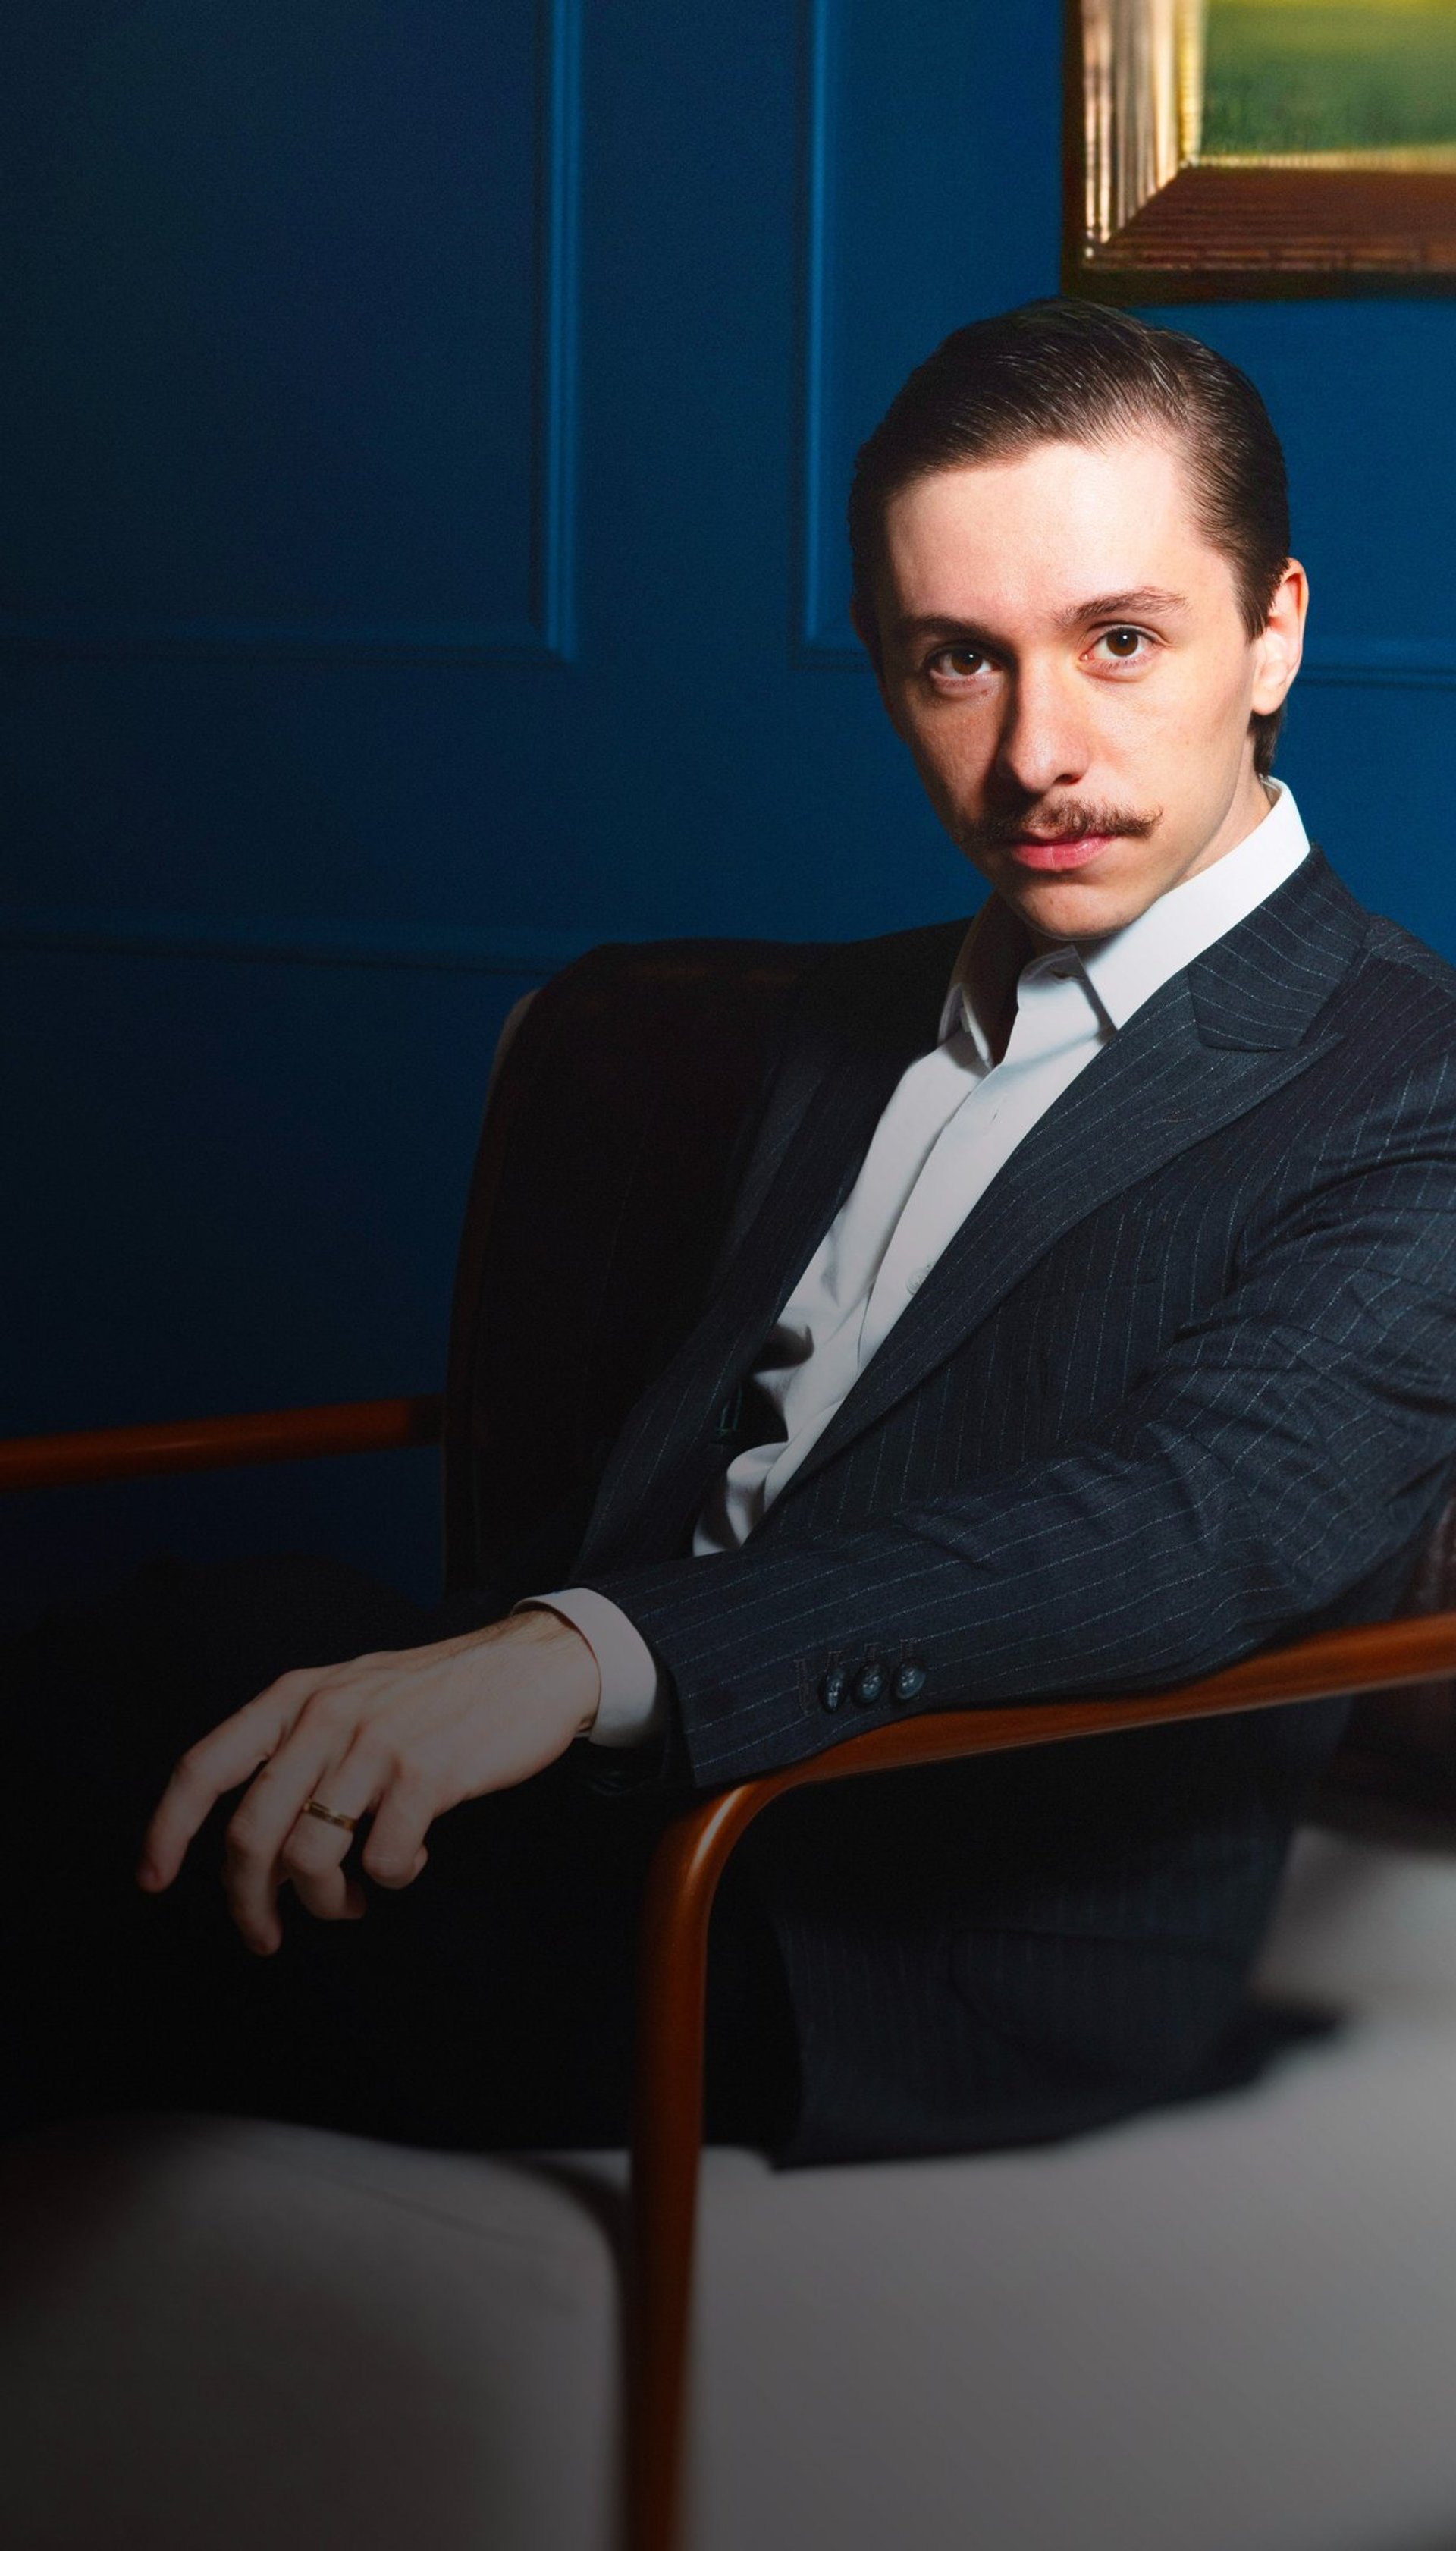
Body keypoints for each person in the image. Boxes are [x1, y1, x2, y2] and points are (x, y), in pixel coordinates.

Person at [8, 297, 1456, 2166]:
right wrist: (518, 1668)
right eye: (959, 660)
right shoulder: (850, 1013)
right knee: (153, 1659)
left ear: (1274, 631)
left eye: (1119, 639)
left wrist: (579, 1655)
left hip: (905, 1922)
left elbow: (1188, 1522)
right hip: (618, 1781)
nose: (1036, 753)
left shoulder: (1408, 1075)